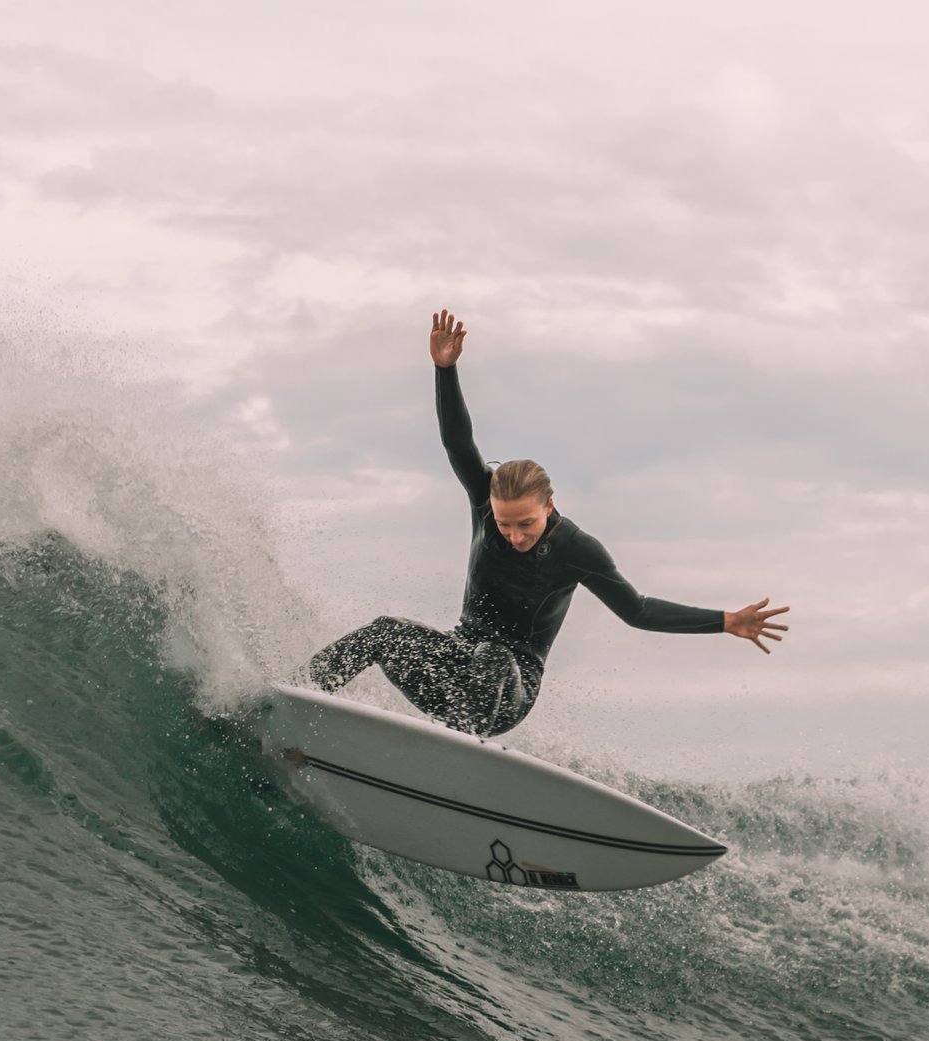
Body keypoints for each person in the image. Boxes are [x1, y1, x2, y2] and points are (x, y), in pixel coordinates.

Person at [306, 309, 789, 737]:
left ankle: (458, 751)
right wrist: (445, 370)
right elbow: (457, 443)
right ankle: (297, 696)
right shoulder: (484, 500)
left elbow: (637, 610)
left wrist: (726, 622)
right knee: (385, 631)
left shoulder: (577, 550)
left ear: (549, 505)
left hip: (509, 690)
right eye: (504, 525)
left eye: (526, 525)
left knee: (492, 657)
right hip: (456, 665)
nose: (514, 536)